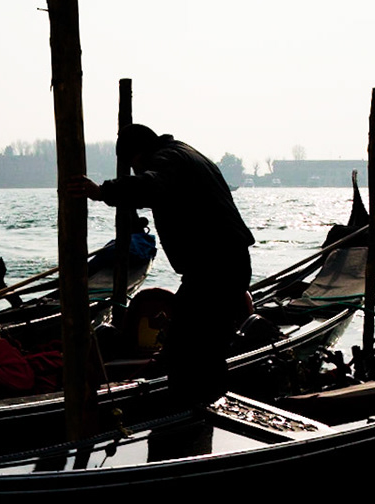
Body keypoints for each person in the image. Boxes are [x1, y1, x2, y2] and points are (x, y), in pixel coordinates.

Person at [70, 123, 255, 404]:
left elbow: (150, 185)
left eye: (132, 165)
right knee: (204, 347)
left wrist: (101, 191)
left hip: (215, 267)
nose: (134, 172)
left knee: (186, 349)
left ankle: (194, 415)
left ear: (139, 154)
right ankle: (205, 408)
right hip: (223, 263)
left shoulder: (167, 160)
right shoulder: (185, 153)